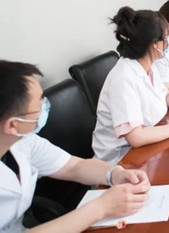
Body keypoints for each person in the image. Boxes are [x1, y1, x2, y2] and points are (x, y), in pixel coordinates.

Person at [0, 60, 151, 232]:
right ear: (12, 125)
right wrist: (101, 208)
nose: (45, 107)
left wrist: (115, 174)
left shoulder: (23, 141)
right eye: (39, 105)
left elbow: (74, 166)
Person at [93, 7, 169, 165]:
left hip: (150, 145)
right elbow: (136, 137)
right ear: (154, 44)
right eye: (165, 38)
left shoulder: (147, 66)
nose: (168, 43)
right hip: (121, 161)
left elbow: (166, 93)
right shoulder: (123, 78)